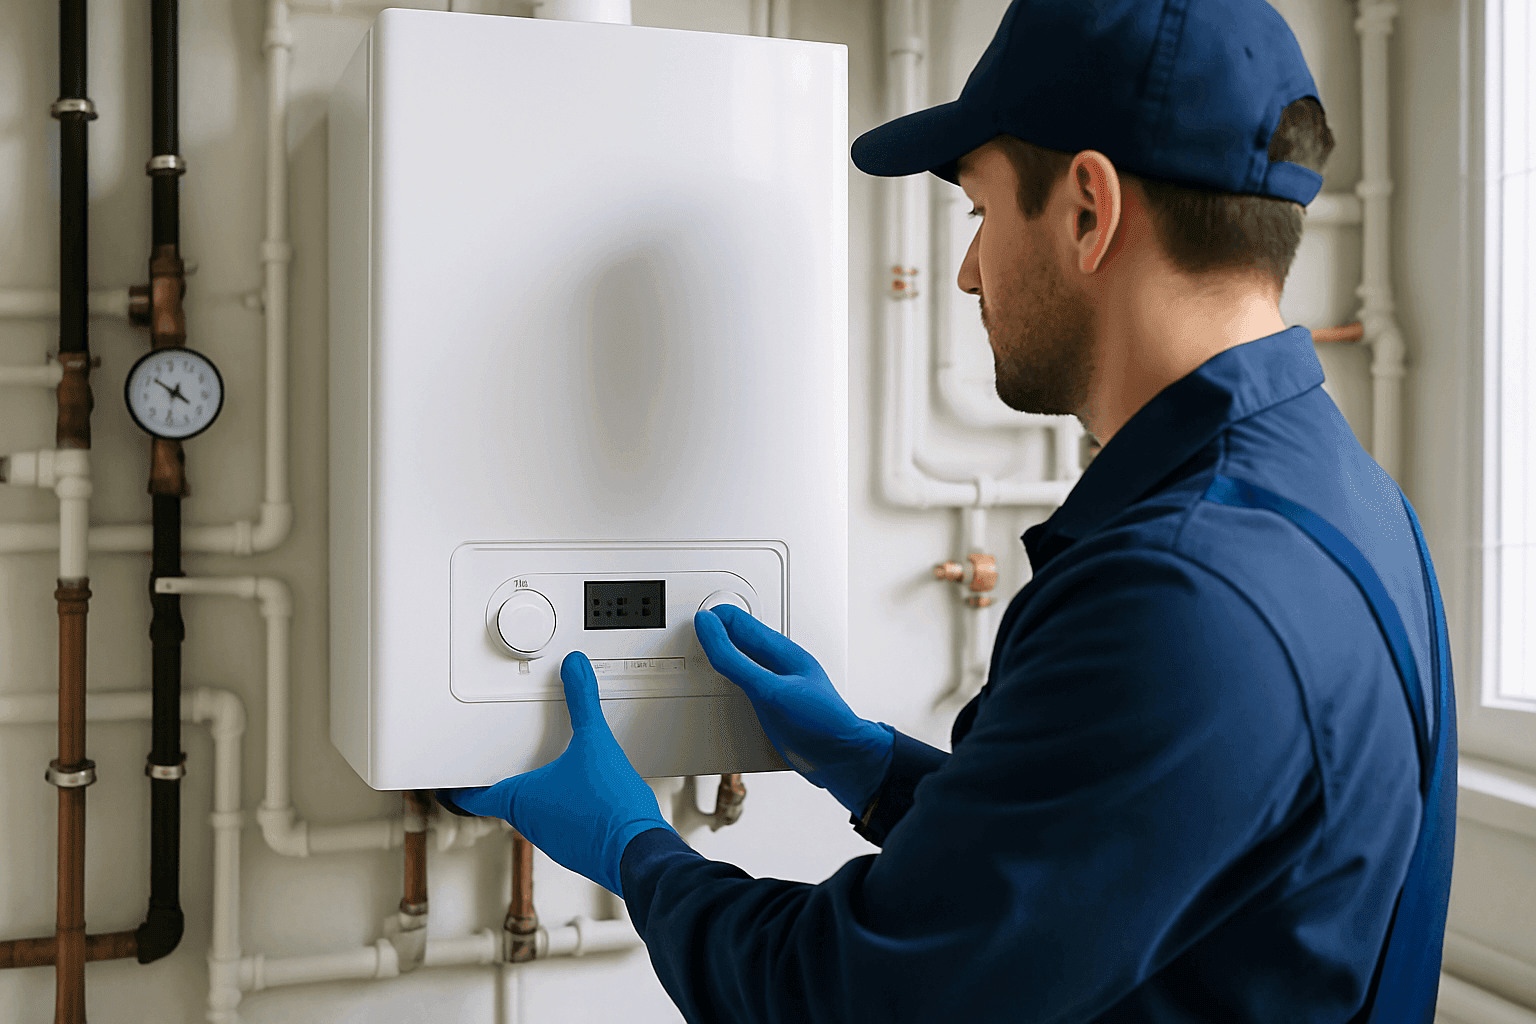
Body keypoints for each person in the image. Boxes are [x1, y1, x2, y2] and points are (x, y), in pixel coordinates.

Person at [441, 0, 1457, 1020]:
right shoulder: (1355, 508)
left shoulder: (1185, 592)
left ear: (1088, 212)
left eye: (980, 212)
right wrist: (874, 765)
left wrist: (635, 849)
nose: (969, 272)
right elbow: (1108, 869)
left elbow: (844, 997)